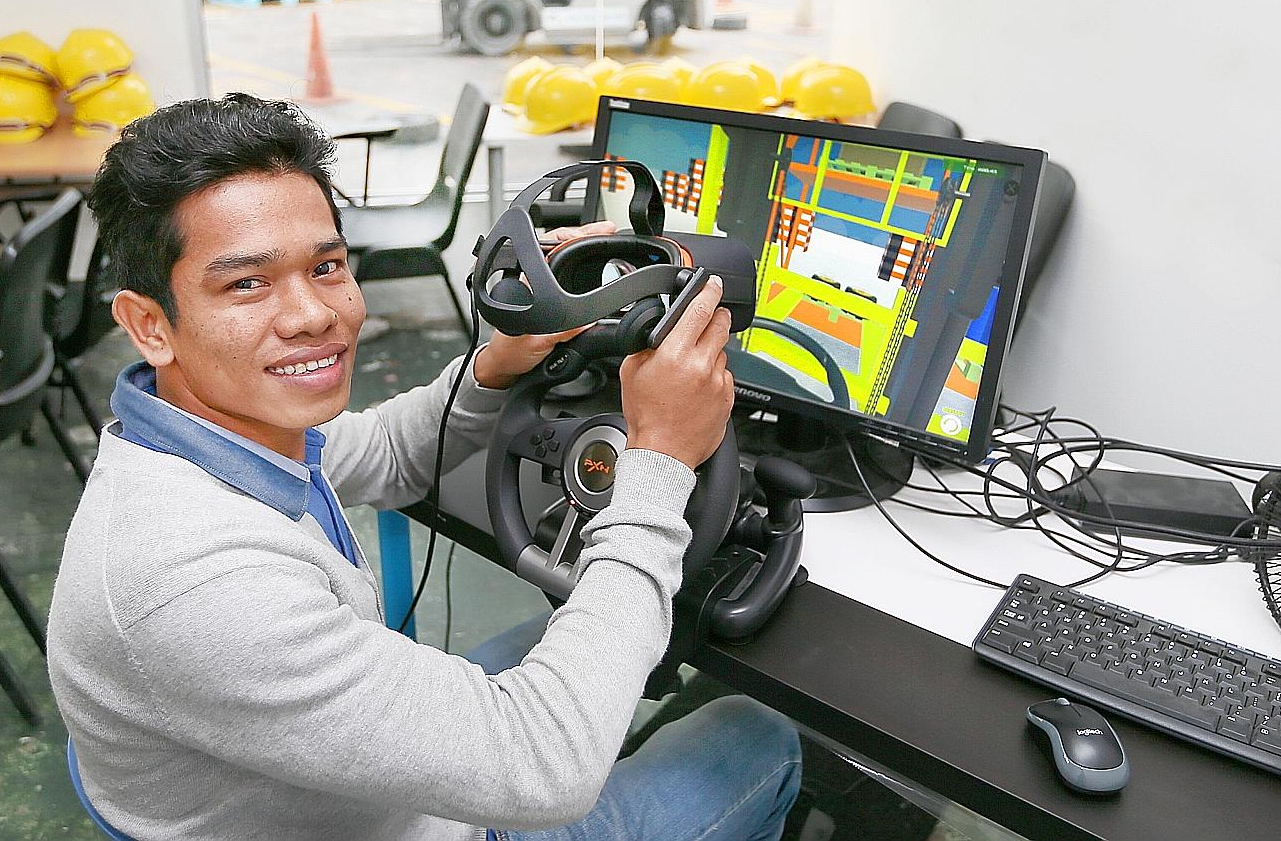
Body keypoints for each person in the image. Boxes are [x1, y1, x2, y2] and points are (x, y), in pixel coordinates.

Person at [46, 93, 802, 840]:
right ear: (149, 325)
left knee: (583, 638)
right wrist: (661, 458)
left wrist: (499, 363)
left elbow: (384, 455)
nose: (312, 314)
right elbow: (546, 765)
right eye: (246, 283)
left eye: (327, 265)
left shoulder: (207, 435)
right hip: (433, 821)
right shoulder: (193, 584)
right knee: (760, 735)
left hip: (323, 798)